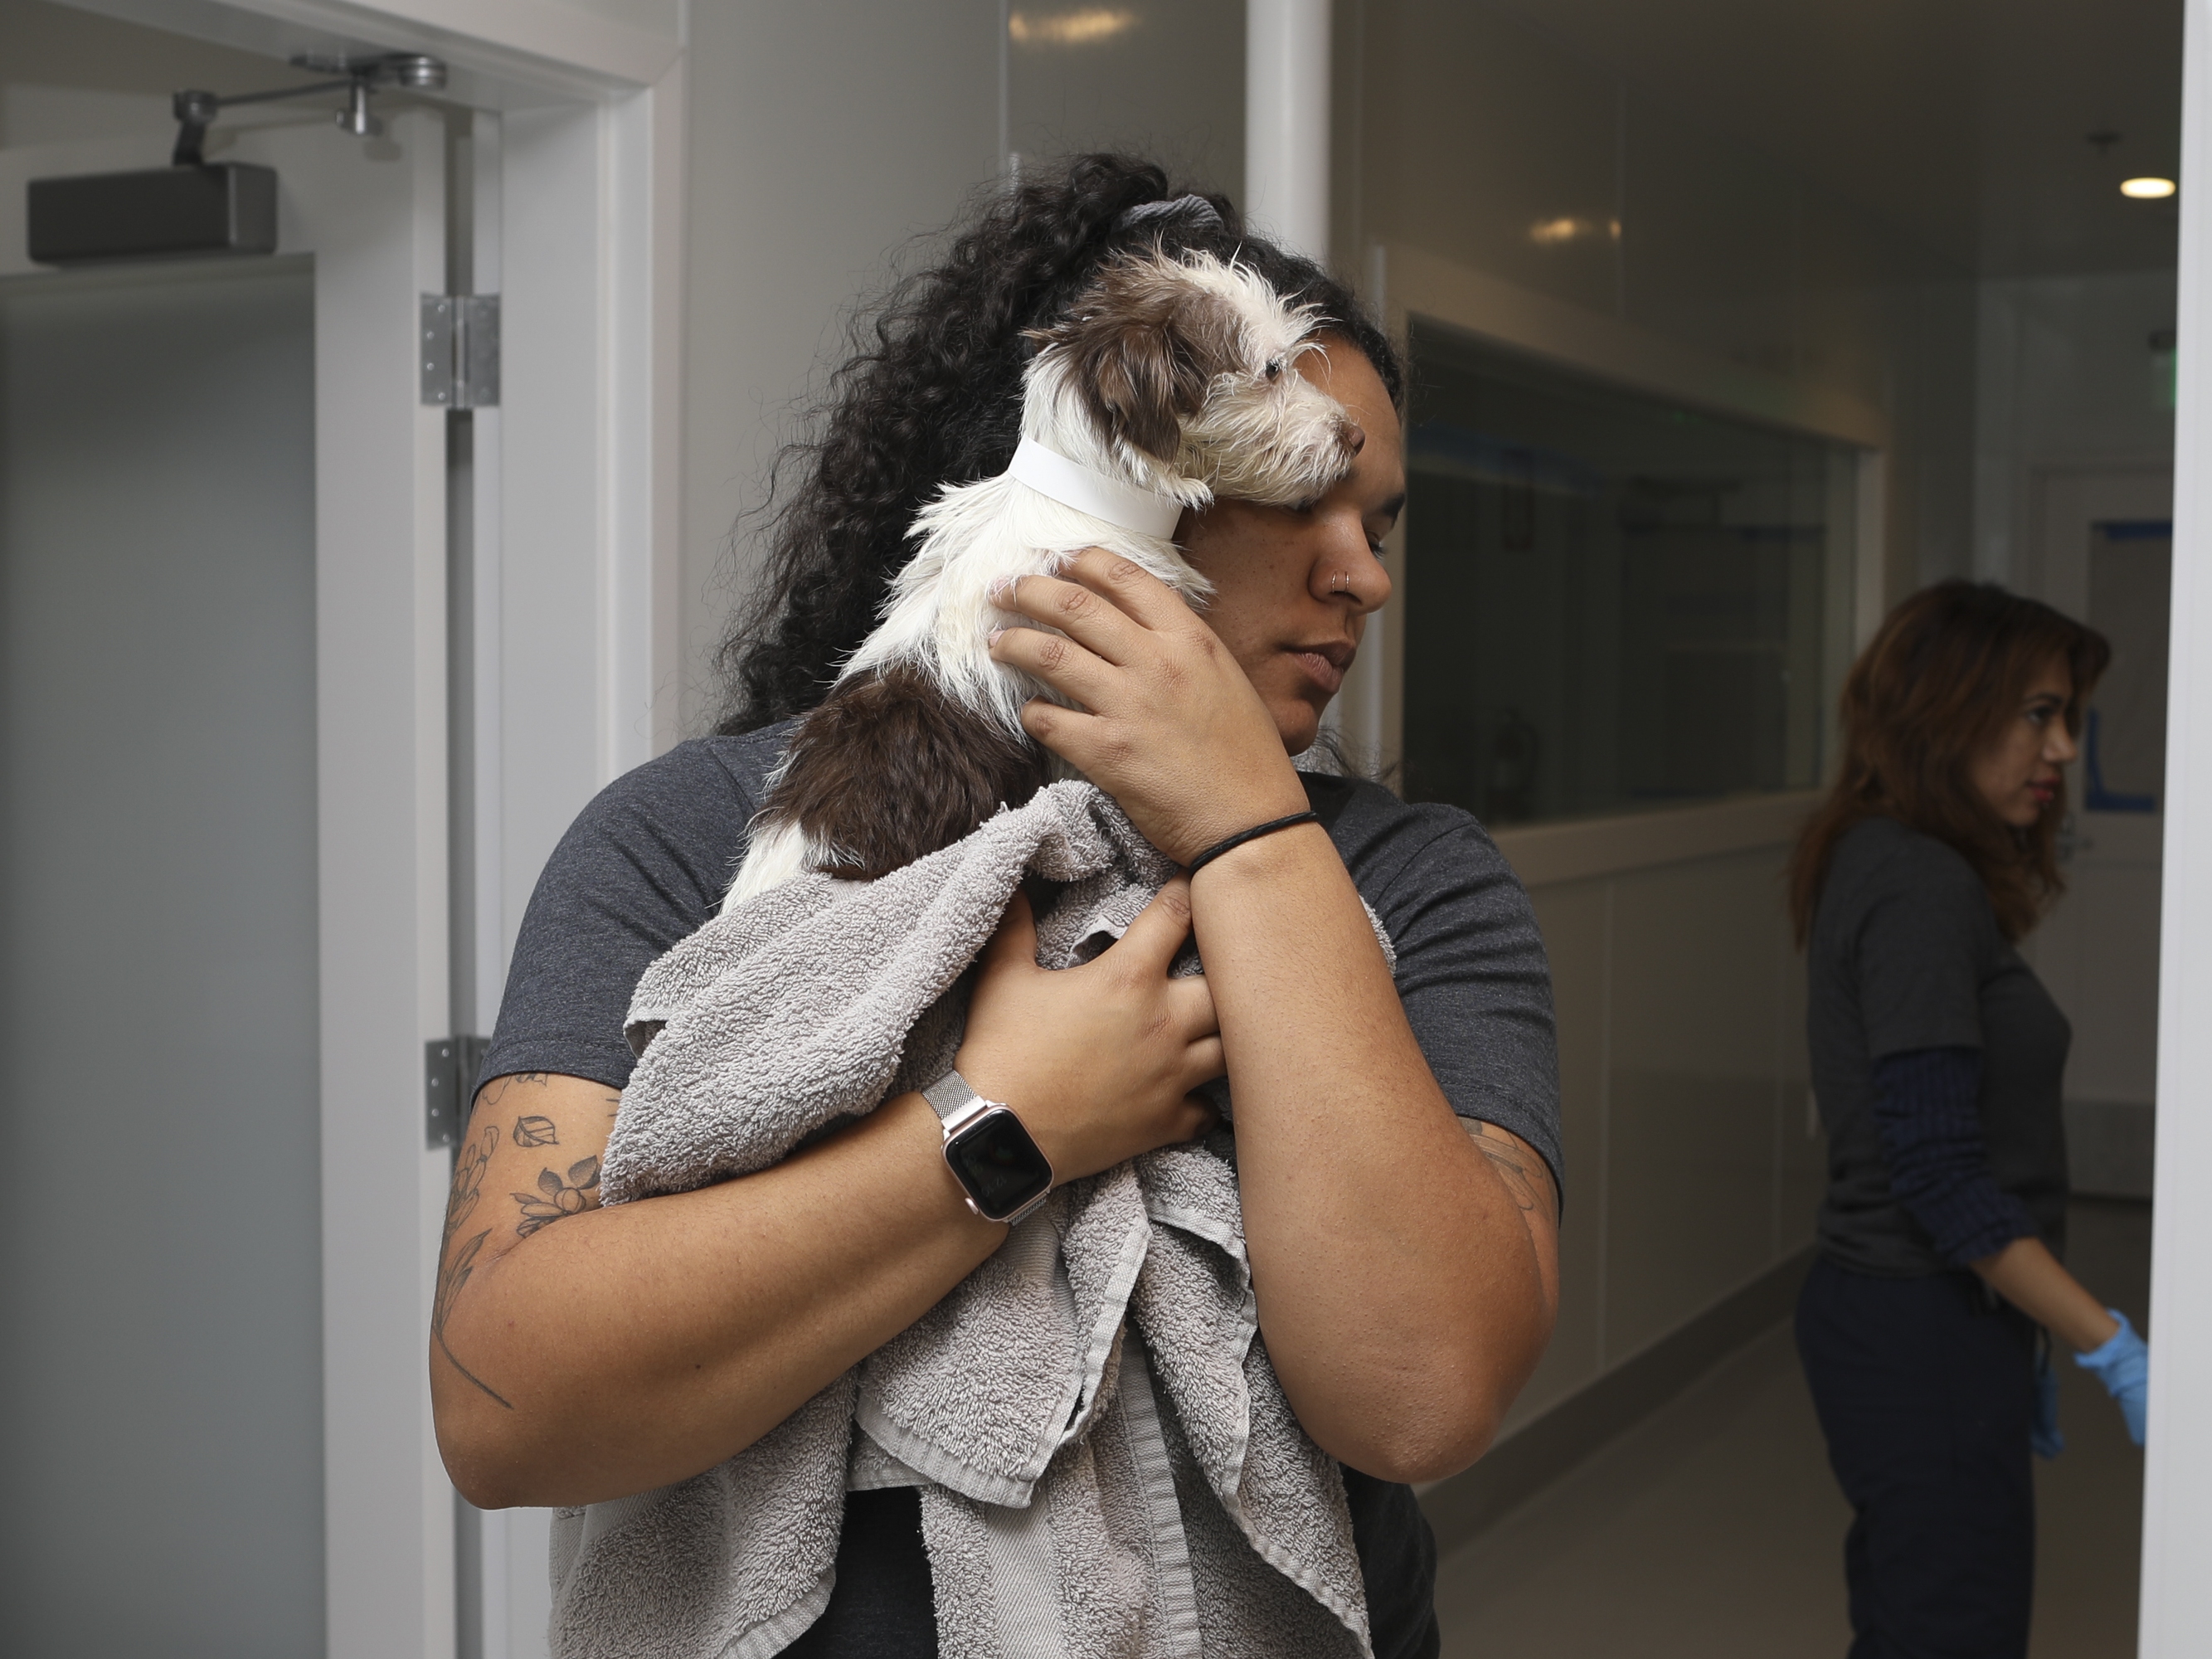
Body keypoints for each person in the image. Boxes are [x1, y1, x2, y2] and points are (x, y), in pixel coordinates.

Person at [427, 153, 1563, 1658]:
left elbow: (1419, 1390)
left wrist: (1247, 828)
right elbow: (506, 1408)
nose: (1364, 575)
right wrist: (1009, 1120)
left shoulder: (1416, 883)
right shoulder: (694, 839)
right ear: (1119, 464)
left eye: (1384, 520)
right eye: (1304, 491)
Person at [1789, 579, 2151, 1658]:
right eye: (2040, 713)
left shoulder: (1889, 856)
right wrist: (2112, 1345)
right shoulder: (1915, 882)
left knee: (1916, 1621)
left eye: (2070, 717)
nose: (2066, 750)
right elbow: (1939, 1175)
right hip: (1918, 1329)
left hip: (1918, 1323)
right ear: (1947, 709)